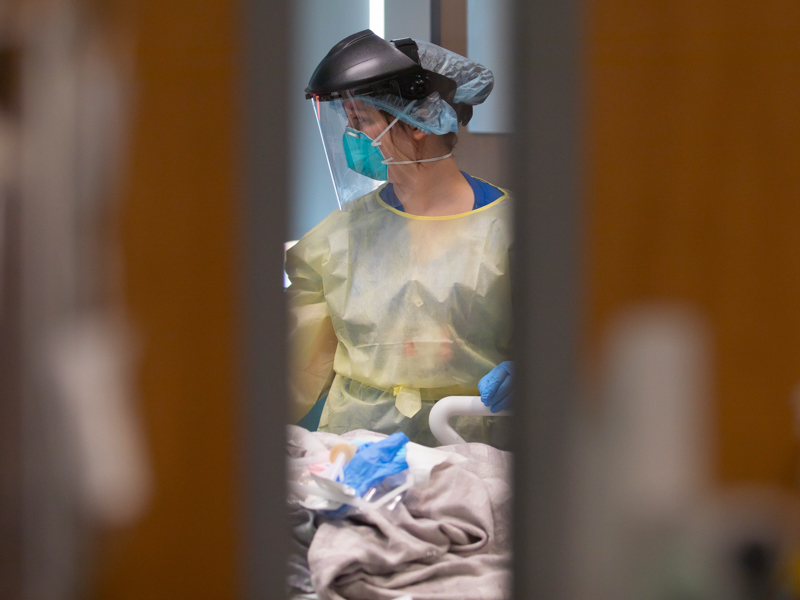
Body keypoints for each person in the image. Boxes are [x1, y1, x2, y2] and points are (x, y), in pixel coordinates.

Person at [287, 30, 514, 447]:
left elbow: (572, 343)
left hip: (468, 455)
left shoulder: (512, 234)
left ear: (419, 123)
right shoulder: (339, 239)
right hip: (354, 456)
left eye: (362, 121)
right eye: (348, 121)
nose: (351, 136)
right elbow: (290, 367)